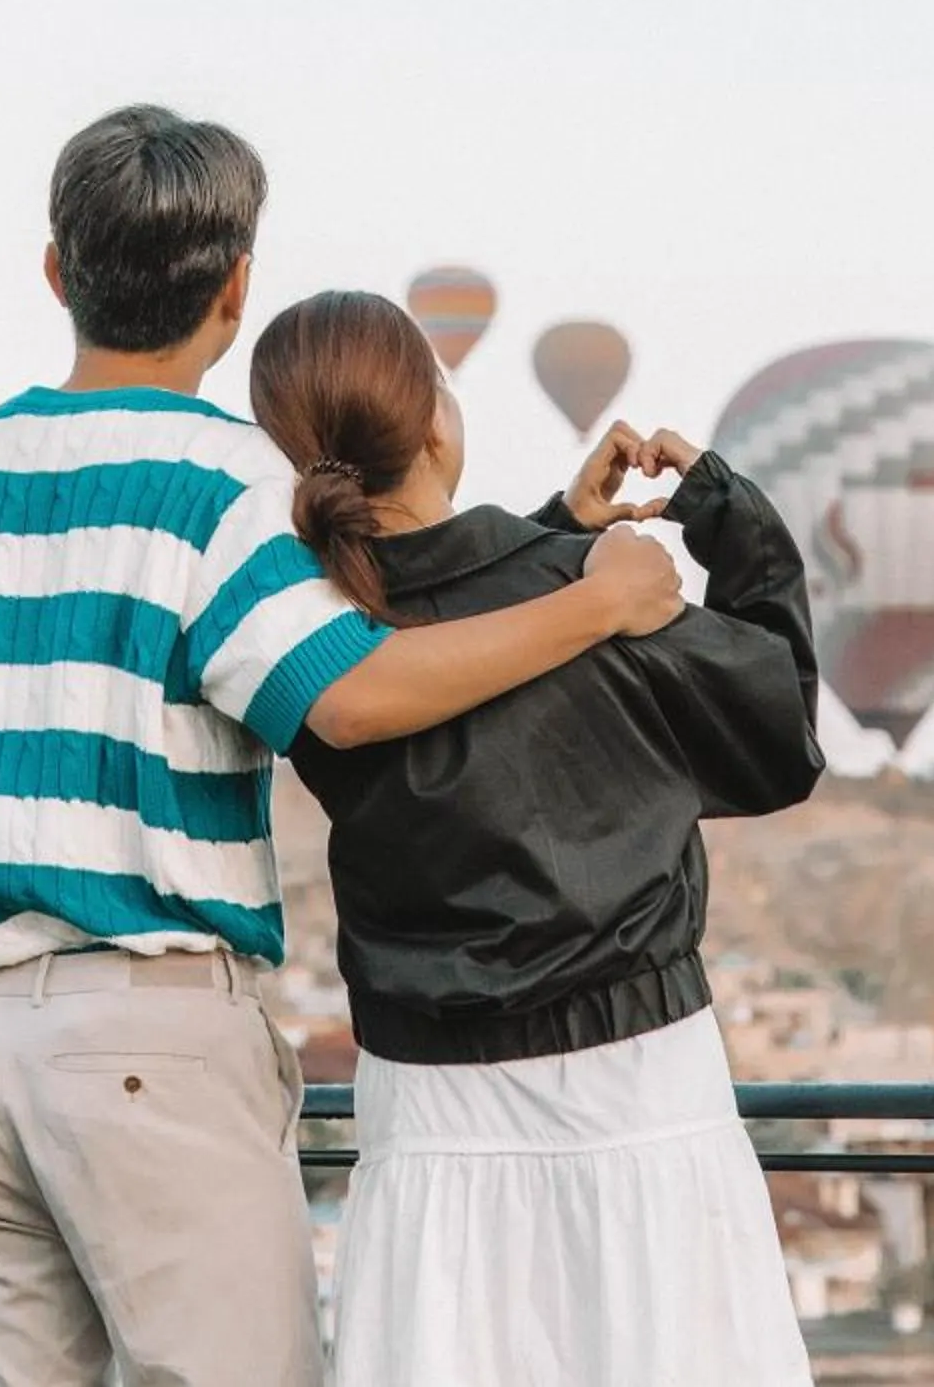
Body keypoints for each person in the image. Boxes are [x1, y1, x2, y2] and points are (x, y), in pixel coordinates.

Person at [0, 108, 685, 1387]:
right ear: (235, 291)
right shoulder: (222, 483)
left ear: (56, 271)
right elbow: (351, 695)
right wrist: (592, 596)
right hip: (141, 1048)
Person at [250, 287, 823, 1387]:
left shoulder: (311, 635)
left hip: (425, 1115)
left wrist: (558, 534)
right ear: (435, 424)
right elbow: (779, 734)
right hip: (639, 1089)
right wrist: (719, 510)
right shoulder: (596, 598)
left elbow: (453, 645)